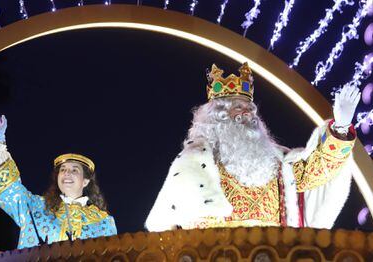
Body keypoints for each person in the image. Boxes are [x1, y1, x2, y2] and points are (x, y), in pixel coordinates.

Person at [146, 63, 359, 231]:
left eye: (249, 108)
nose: (247, 113)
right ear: (217, 116)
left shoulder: (277, 163)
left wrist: (340, 128)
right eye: (238, 107)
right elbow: (171, 229)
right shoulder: (193, 162)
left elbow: (318, 172)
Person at [0, 111, 117, 249]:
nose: (67, 173)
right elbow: (8, 189)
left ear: (85, 181)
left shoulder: (104, 221)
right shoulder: (35, 207)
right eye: (63, 170)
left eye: (74, 170)